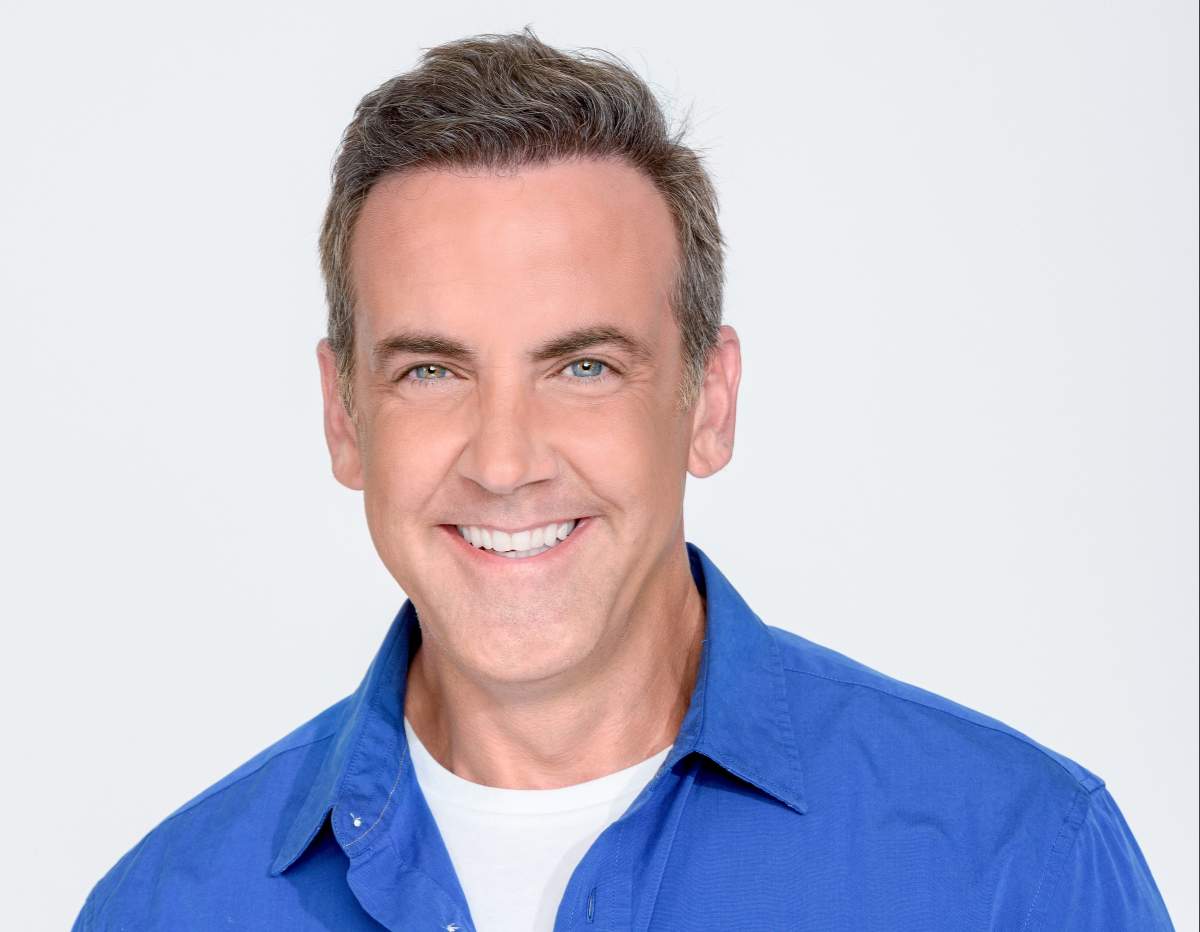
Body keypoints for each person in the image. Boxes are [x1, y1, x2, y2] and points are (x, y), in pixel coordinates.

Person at [72, 28, 1175, 932]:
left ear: (710, 402)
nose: (505, 461)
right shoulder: (163, 910)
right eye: (431, 371)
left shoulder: (1016, 865)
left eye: (584, 367)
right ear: (342, 416)